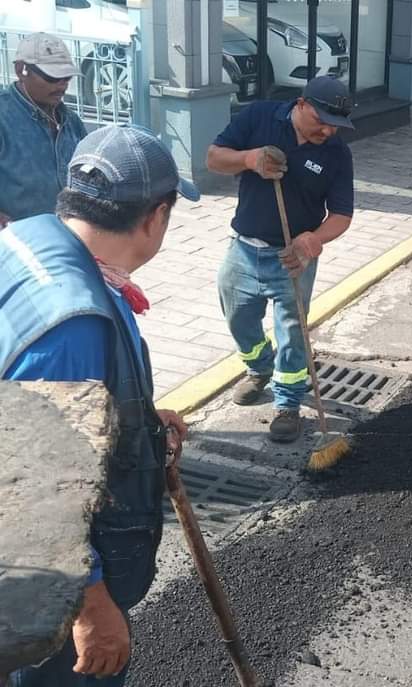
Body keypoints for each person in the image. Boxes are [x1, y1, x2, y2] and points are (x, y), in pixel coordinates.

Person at [1, 124, 198, 685]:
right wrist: (92, 611)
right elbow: (34, 493)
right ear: (155, 216)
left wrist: (135, 421)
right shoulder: (74, 323)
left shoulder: (31, 237)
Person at [206, 76, 356, 444]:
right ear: (302, 104)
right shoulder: (259, 117)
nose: (327, 130)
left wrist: (313, 240)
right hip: (244, 247)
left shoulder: (336, 153)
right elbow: (213, 159)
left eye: (335, 125)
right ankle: (259, 367)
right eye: (321, 120)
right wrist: (249, 159)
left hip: (293, 256)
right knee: (236, 313)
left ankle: (288, 402)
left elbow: (341, 215)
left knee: (293, 328)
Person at [0, 32, 87, 228]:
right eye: (53, 77)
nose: (62, 85)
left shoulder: (71, 121)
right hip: (13, 243)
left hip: (65, 237)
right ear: (21, 69)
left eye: (66, 77)